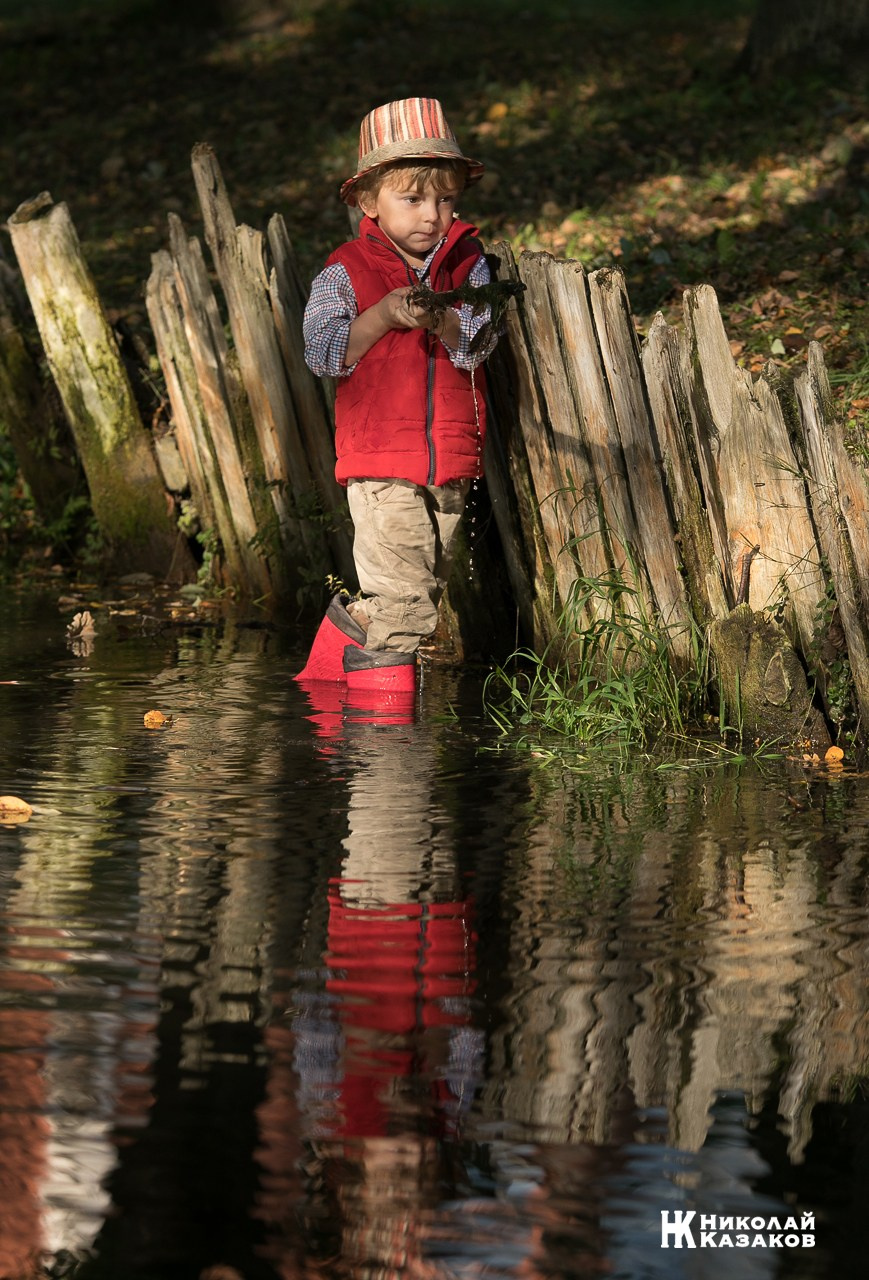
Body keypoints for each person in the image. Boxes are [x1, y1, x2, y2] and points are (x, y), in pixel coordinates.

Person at [295, 97, 499, 694]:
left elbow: (479, 345)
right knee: (407, 609)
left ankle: (332, 670)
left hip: (450, 460)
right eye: (412, 199)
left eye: (445, 199)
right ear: (369, 202)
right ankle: (386, 760)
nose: (432, 215)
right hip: (381, 462)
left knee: (415, 590)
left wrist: (443, 321)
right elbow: (323, 352)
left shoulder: (468, 265)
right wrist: (382, 315)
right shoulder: (347, 269)